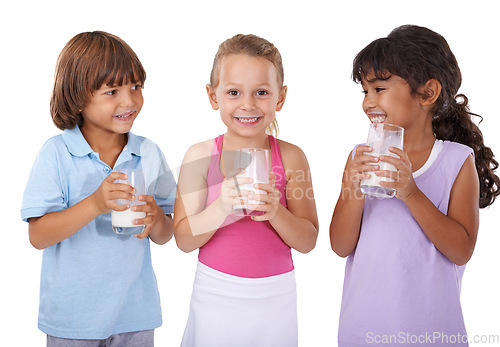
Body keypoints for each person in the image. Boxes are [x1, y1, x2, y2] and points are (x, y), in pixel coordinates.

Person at [330, 25, 500, 346]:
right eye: (365, 91)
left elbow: (461, 250)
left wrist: (411, 193)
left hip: (429, 334)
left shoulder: (455, 160)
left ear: (427, 93)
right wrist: (352, 187)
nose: (368, 102)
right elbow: (340, 246)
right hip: (363, 333)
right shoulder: (360, 157)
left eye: (379, 89)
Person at [21, 31, 176, 346]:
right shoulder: (57, 153)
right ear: (78, 96)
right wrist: (94, 204)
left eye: (136, 86)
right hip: (73, 320)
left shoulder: (147, 152)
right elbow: (38, 236)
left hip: (136, 314)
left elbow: (166, 233)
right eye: (112, 90)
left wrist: (157, 218)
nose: (129, 100)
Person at [173, 34, 319, 347]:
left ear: (280, 98)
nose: (248, 104)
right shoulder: (200, 157)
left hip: (275, 297)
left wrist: (276, 212)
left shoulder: (292, 157)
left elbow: (308, 240)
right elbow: (184, 239)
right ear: (213, 97)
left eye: (262, 92)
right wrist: (220, 208)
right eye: (234, 92)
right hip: (215, 293)